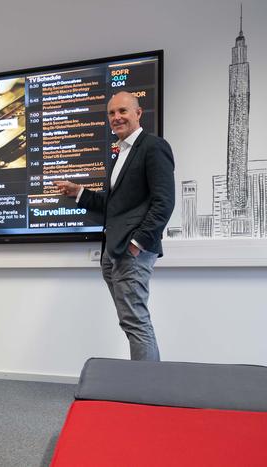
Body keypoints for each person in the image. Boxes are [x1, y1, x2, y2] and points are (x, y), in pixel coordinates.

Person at [54, 91, 175, 361]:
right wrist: (79, 192)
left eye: (123, 111)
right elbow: (113, 204)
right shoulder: (120, 153)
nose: (116, 117)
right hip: (112, 251)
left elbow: (164, 202)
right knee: (130, 322)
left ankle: (147, 392)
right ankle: (144, 385)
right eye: (111, 113)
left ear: (138, 113)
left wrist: (137, 244)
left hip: (131, 251)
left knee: (136, 322)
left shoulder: (153, 147)